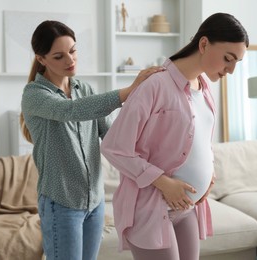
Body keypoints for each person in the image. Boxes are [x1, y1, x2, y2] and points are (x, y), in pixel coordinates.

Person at [100, 12, 249, 260]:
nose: (231, 70)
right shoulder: (155, 85)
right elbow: (114, 148)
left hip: (187, 208)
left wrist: (209, 173)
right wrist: (164, 183)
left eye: (237, 63)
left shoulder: (204, 86)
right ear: (203, 44)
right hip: (151, 208)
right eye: (228, 59)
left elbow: (199, 140)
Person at [20, 20, 163, 260]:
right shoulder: (34, 95)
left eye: (73, 50)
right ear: (41, 59)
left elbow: (110, 134)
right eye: (59, 56)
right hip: (61, 204)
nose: (70, 60)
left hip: (95, 203)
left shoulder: (83, 88)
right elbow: (71, 110)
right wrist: (128, 91)